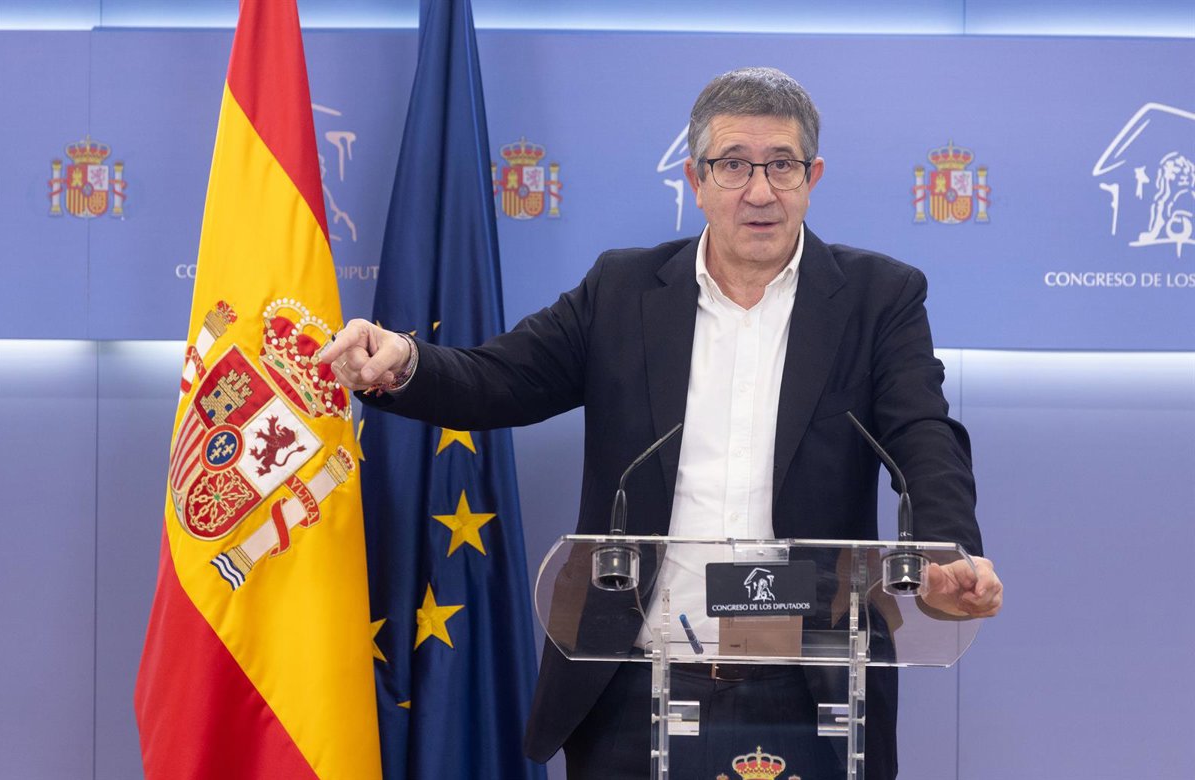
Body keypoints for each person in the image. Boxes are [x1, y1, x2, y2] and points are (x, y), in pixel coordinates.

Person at [321, 66, 1003, 779]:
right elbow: (502, 380)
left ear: (813, 176)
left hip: (811, 688)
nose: (760, 191)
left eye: (782, 165)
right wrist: (404, 361)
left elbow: (923, 435)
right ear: (695, 179)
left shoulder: (877, 298)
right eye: (733, 165)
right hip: (633, 680)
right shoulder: (621, 291)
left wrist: (947, 552)